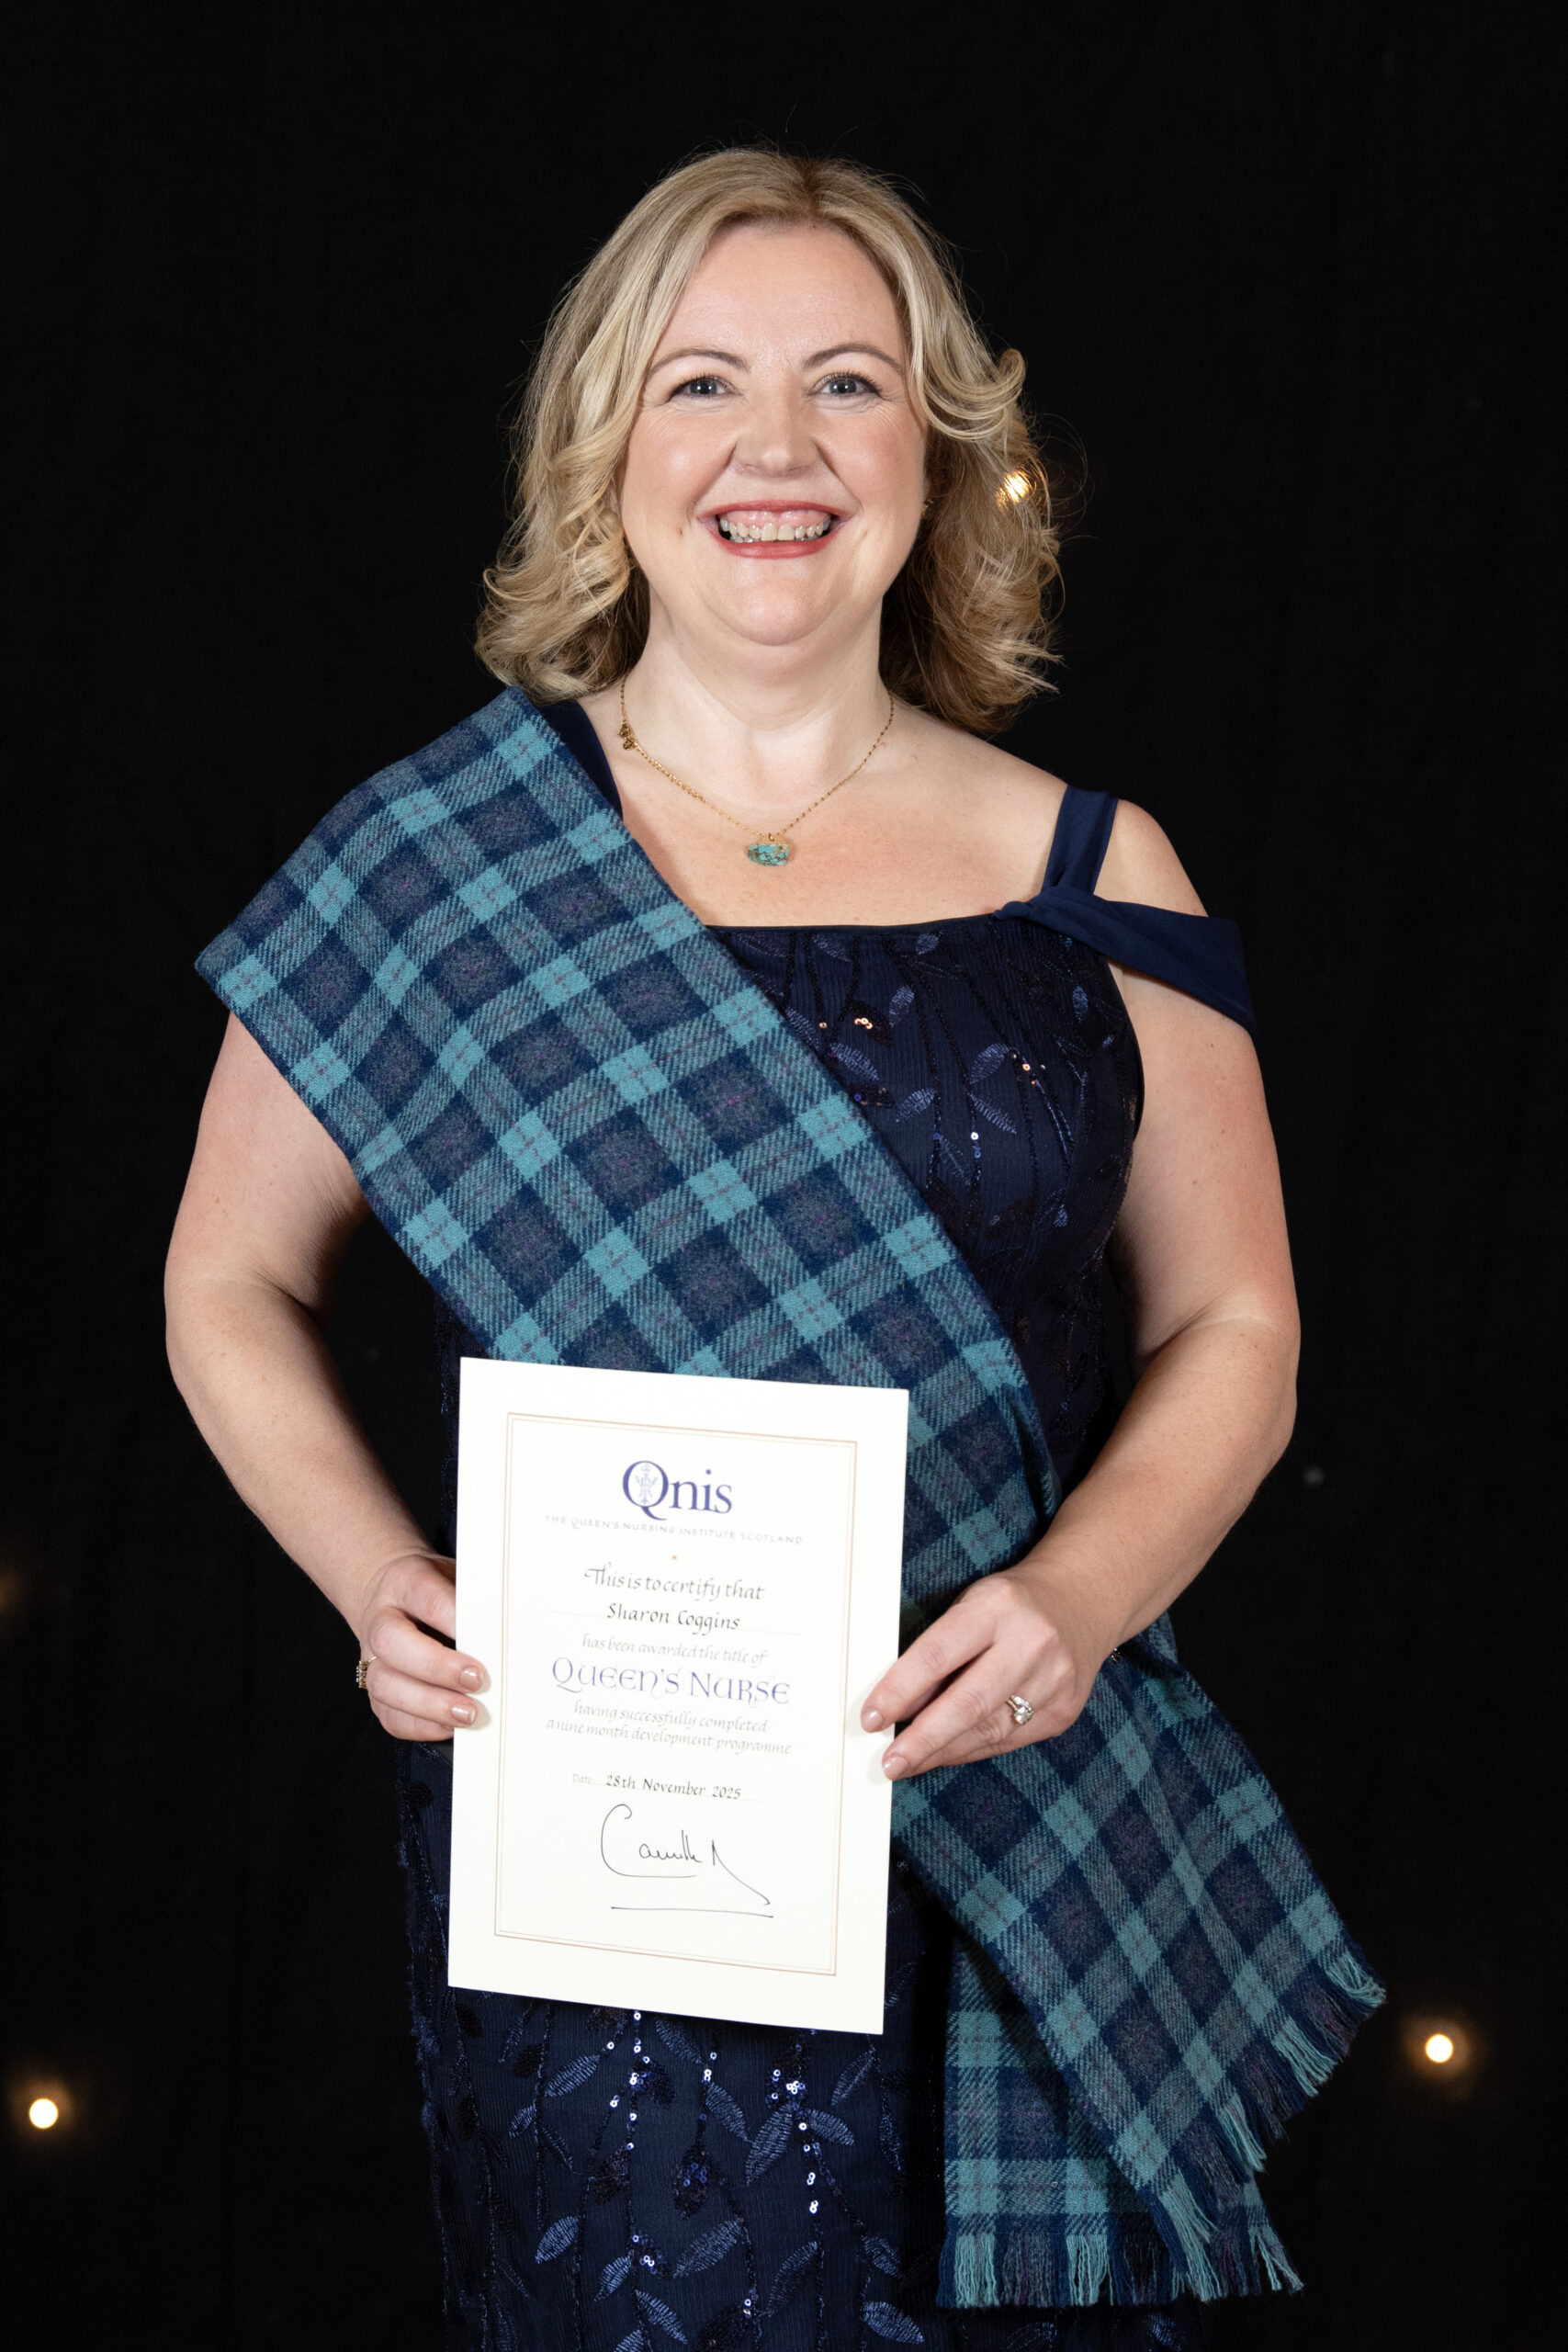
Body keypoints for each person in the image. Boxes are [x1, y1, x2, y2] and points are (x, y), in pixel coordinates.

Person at [165, 150, 1378, 2350]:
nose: (777, 450)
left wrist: (1075, 1604)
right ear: (604, 444)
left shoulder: (1095, 866)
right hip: (604, 1863)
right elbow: (223, 1282)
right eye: (702, 384)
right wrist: (373, 1576)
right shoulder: (439, 865)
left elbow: (1236, 1319)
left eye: (848, 384)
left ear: (937, 450)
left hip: (1014, 1796)